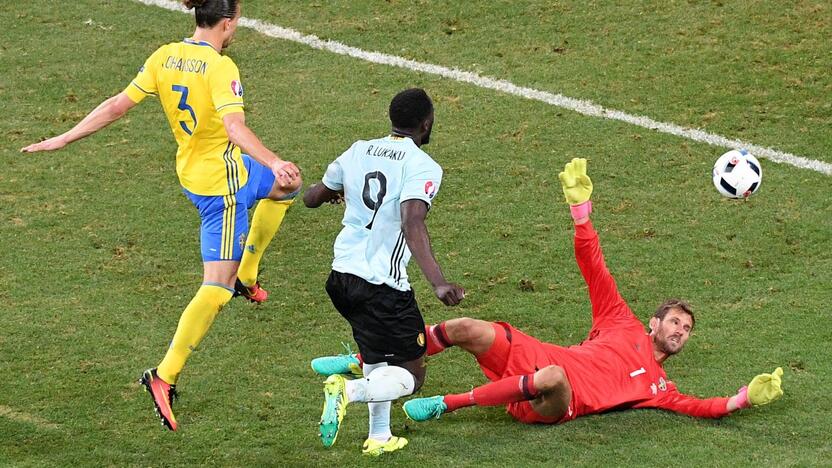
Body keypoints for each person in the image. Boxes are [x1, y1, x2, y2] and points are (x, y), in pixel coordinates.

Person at [316, 158, 784, 426]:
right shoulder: (619, 320)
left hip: (557, 400)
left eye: (687, 328)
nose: (681, 330)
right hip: (534, 357)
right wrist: (582, 213)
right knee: (465, 326)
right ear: (653, 322)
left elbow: (702, 408)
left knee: (556, 374)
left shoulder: (660, 388)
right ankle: (364, 360)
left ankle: (445, 403)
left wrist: (743, 398)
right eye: (676, 321)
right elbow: (594, 267)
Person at [21, 0, 302, 431]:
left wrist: (65, 137)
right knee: (215, 288)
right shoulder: (220, 66)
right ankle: (164, 375)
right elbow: (235, 129)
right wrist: (275, 157)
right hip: (221, 188)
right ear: (228, 22)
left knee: (288, 185)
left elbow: (117, 104)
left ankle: (248, 273)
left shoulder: (165, 55)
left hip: (199, 170)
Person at [303, 88, 465, 456]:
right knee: (411, 376)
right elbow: (412, 219)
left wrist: (322, 193)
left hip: (341, 277)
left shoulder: (358, 149)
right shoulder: (423, 165)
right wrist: (439, 283)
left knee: (376, 357)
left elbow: (314, 197)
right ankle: (349, 390)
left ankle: (379, 436)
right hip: (382, 286)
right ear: (426, 124)